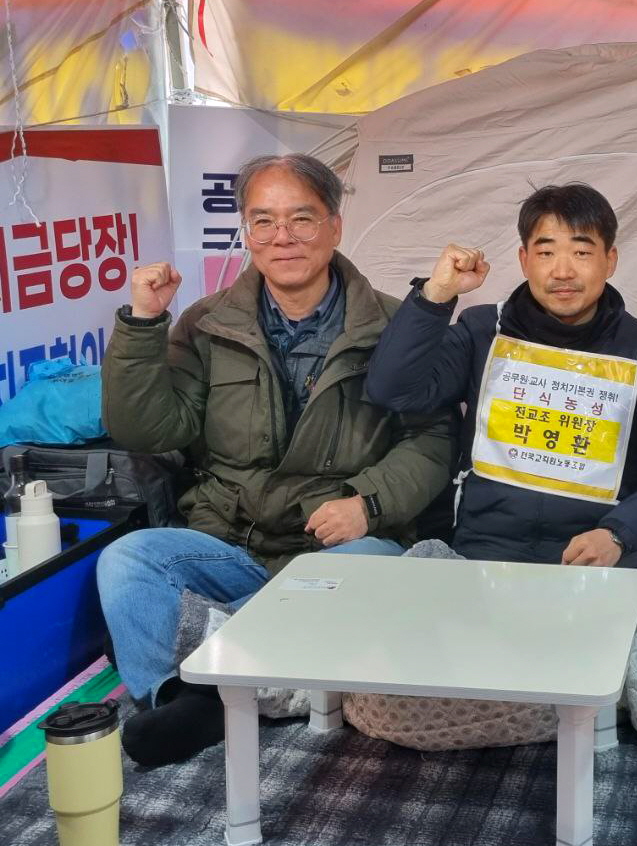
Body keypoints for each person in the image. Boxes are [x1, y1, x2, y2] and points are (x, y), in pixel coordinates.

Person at [97, 154, 453, 765]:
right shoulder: (207, 323)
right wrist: (143, 323)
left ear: (335, 226)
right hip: (234, 546)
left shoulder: (396, 324)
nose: (282, 237)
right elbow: (147, 429)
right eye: (263, 221)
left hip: (341, 550)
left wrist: (368, 504)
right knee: (127, 560)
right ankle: (179, 698)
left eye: (301, 219)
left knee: (372, 569)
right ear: (247, 232)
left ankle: (219, 676)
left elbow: (434, 437)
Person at [365, 183, 637, 593]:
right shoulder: (482, 331)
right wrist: (435, 295)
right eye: (546, 253)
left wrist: (617, 534)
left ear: (609, 260)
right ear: (524, 260)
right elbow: (392, 390)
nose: (563, 271)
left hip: (590, 556)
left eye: (581, 252)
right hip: (483, 551)